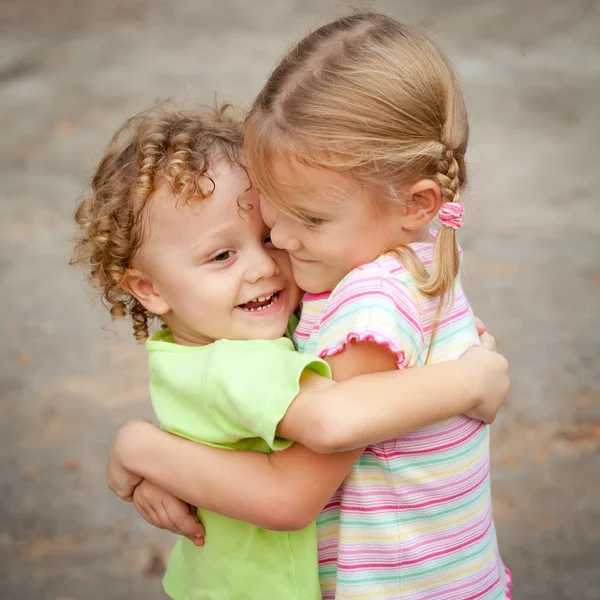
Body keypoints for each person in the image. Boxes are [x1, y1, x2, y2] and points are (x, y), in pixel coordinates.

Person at [108, 12, 513, 600]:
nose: (282, 244)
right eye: (276, 208)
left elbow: (299, 475)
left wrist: (472, 381)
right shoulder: (390, 254)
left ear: (415, 202)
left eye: (311, 217)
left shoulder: (371, 304)